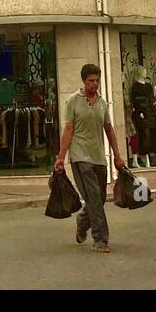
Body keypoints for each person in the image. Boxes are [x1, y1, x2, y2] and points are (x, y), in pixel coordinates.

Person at [54, 64, 126, 253]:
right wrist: (61, 157)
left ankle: (82, 220)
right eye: (91, 81)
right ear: (83, 81)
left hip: (99, 157)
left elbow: (109, 129)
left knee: (100, 198)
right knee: (93, 197)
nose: (95, 84)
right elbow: (68, 130)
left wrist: (117, 156)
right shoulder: (73, 101)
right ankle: (100, 239)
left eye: (97, 80)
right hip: (80, 156)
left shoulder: (102, 103)